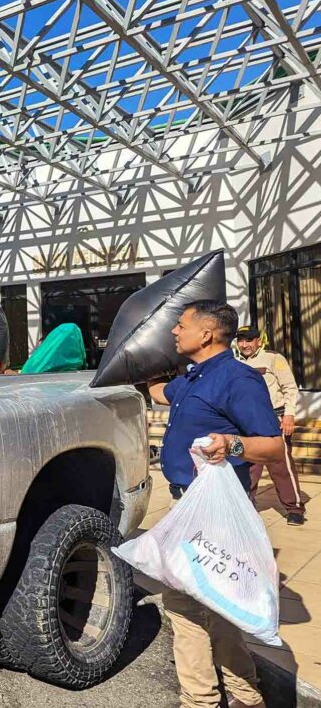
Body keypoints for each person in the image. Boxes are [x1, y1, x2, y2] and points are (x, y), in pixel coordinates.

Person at [148, 300, 285, 708]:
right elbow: (160, 394)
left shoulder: (239, 379)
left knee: (185, 603)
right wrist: (130, 368)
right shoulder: (191, 378)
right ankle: (245, 695)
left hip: (215, 510)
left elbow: (274, 447)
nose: (174, 331)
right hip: (188, 505)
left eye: (181, 325)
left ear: (206, 334)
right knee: (219, 603)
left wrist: (232, 444)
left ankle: (200, 700)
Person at [234, 324, 305, 525]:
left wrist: (289, 416)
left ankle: (295, 508)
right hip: (247, 420)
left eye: (249, 339)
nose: (244, 344)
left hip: (275, 417)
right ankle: (246, 505)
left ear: (258, 341)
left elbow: (290, 388)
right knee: (248, 463)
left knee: (280, 465)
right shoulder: (234, 362)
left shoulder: (274, 358)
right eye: (241, 340)